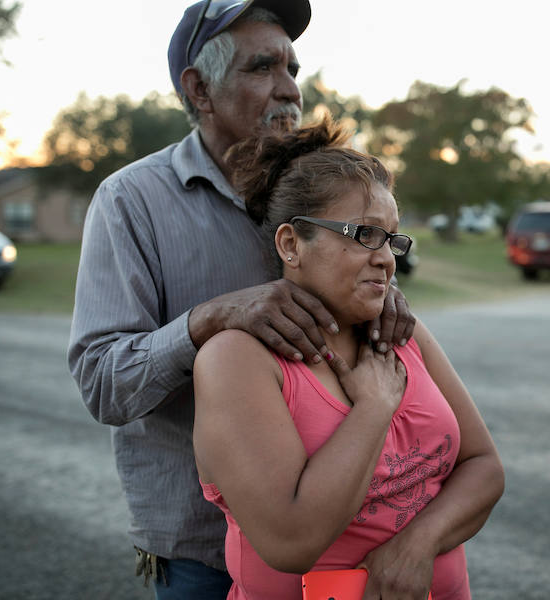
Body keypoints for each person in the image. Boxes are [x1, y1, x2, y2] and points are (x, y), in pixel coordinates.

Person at [67, 2, 415, 598]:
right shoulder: (130, 201)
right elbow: (103, 384)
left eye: (293, 69)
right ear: (199, 89)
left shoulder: (319, 190)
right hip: (204, 557)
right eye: (262, 69)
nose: (289, 91)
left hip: (354, 538)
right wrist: (209, 319)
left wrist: (384, 297)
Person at [192, 116, 505, 600]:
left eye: (393, 239)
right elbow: (290, 541)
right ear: (292, 244)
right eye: (364, 235)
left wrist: (417, 545)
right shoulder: (237, 359)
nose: (386, 258)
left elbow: (484, 467)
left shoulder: (405, 334)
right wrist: (374, 408)